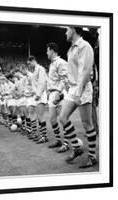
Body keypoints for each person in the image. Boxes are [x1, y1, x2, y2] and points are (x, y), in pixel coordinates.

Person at [59, 26, 97, 168]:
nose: (65, 32)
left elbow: (86, 71)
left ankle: (92, 157)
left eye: (67, 29)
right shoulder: (70, 49)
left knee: (87, 123)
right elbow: (72, 73)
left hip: (83, 87)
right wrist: (66, 91)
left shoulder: (84, 46)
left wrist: (79, 92)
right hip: (73, 88)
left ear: (73, 30)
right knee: (62, 117)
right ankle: (77, 147)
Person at [46, 42, 70, 153]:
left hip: (59, 93)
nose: (46, 53)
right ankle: (58, 140)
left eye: (47, 50)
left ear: (52, 50)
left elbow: (64, 79)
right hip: (51, 94)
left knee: (63, 118)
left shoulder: (61, 62)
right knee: (52, 119)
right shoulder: (52, 64)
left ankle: (66, 143)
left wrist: (58, 93)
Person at [27, 56, 48, 144]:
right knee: (39, 116)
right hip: (37, 95)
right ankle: (42, 135)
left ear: (33, 61)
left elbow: (43, 83)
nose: (29, 65)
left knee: (40, 116)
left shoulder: (40, 69)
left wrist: (39, 94)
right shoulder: (35, 70)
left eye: (29, 63)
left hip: (41, 95)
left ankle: (44, 136)